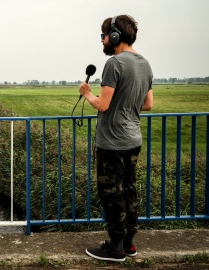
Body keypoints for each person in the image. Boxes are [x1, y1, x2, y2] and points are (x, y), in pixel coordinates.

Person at [79, 15, 153, 262]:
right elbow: (148, 104)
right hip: (133, 139)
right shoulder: (145, 64)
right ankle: (129, 244)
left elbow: (102, 104)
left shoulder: (114, 63)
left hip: (111, 142)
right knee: (129, 191)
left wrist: (87, 93)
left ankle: (116, 248)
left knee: (111, 195)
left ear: (114, 36)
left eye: (103, 36)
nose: (102, 40)